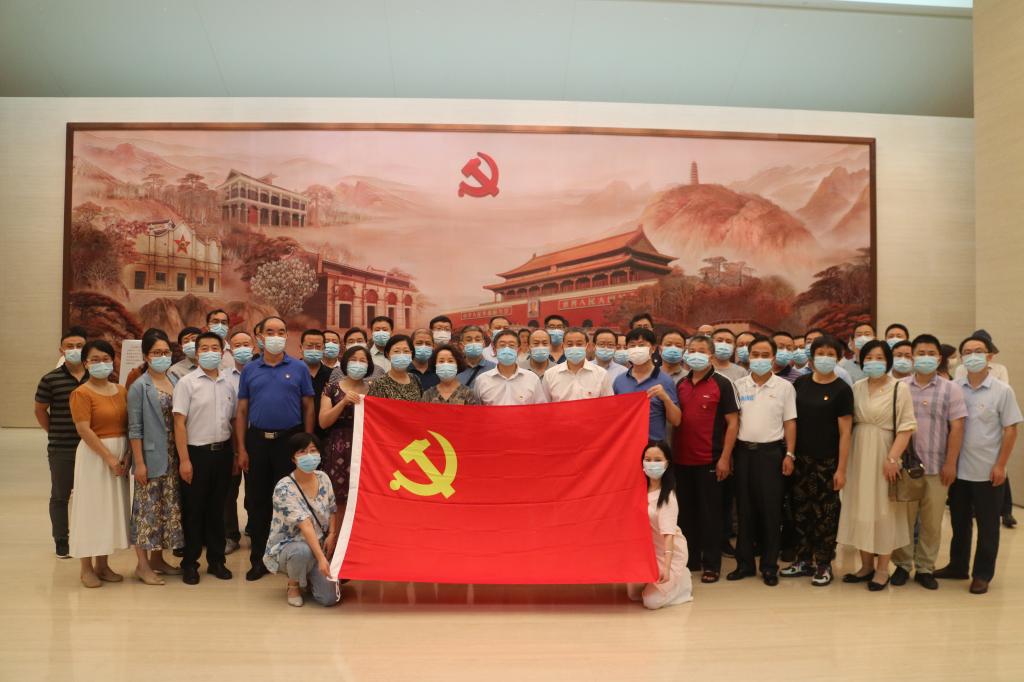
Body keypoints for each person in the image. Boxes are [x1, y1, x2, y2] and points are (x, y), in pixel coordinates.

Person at [935, 335, 1022, 594]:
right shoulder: (953, 388)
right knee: (959, 522)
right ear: (961, 358)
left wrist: (1001, 465)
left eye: (979, 351)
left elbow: (1011, 430)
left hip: (988, 471)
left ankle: (982, 574)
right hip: (958, 470)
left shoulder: (1002, 391)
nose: (973, 355)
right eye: (968, 351)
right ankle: (958, 566)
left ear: (990, 356)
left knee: (988, 526)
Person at [236, 316, 315, 581]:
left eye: (281, 331)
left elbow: (308, 406)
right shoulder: (250, 370)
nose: (275, 336)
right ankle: (258, 560)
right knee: (258, 502)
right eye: (270, 332)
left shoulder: (299, 368)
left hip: (289, 441)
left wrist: (307, 444)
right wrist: (242, 449)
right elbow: (242, 410)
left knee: (289, 501)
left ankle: (287, 558)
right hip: (257, 441)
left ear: (286, 335)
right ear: (260, 336)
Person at [836, 339, 917, 591]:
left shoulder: (899, 388)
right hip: (858, 453)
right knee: (861, 508)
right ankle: (866, 566)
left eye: (879, 358)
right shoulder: (857, 387)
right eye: (869, 358)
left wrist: (893, 458)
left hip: (885, 453)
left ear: (888, 361)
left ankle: (882, 569)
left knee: (884, 511)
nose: (874, 362)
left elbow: (906, 427)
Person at [888, 334, 967, 590]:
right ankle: (902, 565)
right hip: (905, 467)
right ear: (912, 357)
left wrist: (951, 463)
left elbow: (957, 428)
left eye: (930, 353)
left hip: (937, 467)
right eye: (920, 353)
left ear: (939, 357)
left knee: (932, 522)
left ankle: (925, 567)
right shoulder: (899, 387)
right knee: (904, 520)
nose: (925, 357)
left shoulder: (951, 389)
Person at [781, 334, 853, 586]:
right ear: (811, 357)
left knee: (826, 515)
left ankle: (823, 563)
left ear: (838, 358)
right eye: (820, 353)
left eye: (830, 354)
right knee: (800, 512)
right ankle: (803, 560)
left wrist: (841, 469)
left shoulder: (842, 390)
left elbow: (846, 433)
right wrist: (790, 454)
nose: (825, 358)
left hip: (828, 462)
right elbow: (791, 421)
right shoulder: (800, 383)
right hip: (801, 459)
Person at [727, 335, 796, 586]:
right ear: (748, 356)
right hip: (743, 453)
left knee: (771, 511)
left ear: (773, 358)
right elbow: (733, 422)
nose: (759, 359)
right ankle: (744, 564)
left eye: (765, 355)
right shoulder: (739, 385)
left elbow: (790, 423)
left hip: (771, 455)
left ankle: (769, 566)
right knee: (744, 510)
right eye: (755, 354)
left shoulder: (784, 387)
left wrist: (790, 454)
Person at [672, 335, 739, 583]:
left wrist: (725, 458)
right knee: (686, 515)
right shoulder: (681, 383)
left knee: (711, 515)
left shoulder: (722, 384)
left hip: (710, 459)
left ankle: (711, 564)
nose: (695, 354)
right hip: (682, 460)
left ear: (711, 355)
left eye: (701, 350)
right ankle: (690, 561)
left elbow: (733, 423)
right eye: (691, 350)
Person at [172, 332, 236, 585]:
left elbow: (233, 420)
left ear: (222, 352)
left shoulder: (228, 382)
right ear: (197, 353)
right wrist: (184, 460)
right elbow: (179, 423)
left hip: (223, 453)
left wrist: (235, 453)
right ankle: (190, 563)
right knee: (194, 511)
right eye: (204, 348)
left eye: (215, 348)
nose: (210, 352)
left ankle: (217, 561)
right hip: (196, 454)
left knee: (217, 509)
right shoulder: (186, 383)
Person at [69, 339, 131, 588]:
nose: (101, 364)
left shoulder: (121, 390)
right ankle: (86, 568)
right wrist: (109, 458)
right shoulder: (81, 393)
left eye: (106, 359)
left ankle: (103, 565)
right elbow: (83, 429)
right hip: (95, 457)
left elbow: (128, 425)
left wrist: (126, 455)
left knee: (109, 510)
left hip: (120, 454)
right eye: (95, 359)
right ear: (85, 363)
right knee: (91, 510)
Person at [127, 332, 184, 585]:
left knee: (166, 510)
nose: (162, 357)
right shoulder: (140, 386)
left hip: (174, 454)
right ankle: (142, 565)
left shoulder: (174, 379)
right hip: (150, 458)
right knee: (146, 511)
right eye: (156, 353)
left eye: (165, 352)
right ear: (146, 356)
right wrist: (139, 463)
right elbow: (134, 428)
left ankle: (158, 559)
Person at [264, 433, 341, 608]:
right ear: (293, 458)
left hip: (319, 545)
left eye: (313, 450)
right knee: (301, 551)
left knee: (330, 598)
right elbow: (305, 525)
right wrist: (322, 559)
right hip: (292, 546)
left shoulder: (323, 478)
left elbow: (332, 508)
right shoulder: (284, 488)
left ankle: (308, 576)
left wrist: (332, 534)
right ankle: (294, 585)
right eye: (302, 452)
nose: (309, 456)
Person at [34, 328, 88, 558]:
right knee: (60, 495)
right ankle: (61, 540)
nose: (75, 350)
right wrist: (54, 432)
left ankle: (87, 537)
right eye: (70, 346)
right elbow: (40, 410)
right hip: (62, 447)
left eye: (80, 346)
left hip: (92, 447)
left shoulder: (96, 377)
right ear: (61, 350)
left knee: (90, 494)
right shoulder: (50, 379)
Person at [627, 442, 693, 610]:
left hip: (669, 553)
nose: (652, 464)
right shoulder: (639, 489)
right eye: (648, 459)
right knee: (633, 594)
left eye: (657, 460)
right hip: (648, 552)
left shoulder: (667, 497)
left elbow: (668, 535)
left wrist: (667, 568)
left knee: (650, 602)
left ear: (667, 463)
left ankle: (682, 583)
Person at [320, 345, 371, 509]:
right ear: (345, 363)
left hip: (366, 449)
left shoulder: (374, 390)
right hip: (338, 448)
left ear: (369, 365)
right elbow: (323, 422)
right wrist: (343, 402)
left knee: (364, 498)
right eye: (353, 360)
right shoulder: (331, 388)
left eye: (362, 361)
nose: (358, 364)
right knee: (338, 500)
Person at [612, 328, 680, 442]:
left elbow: (676, 421)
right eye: (632, 345)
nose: (636, 349)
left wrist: (665, 398)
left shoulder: (665, 380)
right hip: (626, 444)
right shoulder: (619, 381)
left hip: (653, 446)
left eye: (641, 345)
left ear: (653, 348)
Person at [224, 330, 256, 555]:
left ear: (254, 346)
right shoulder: (223, 377)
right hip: (230, 440)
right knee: (229, 490)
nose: (242, 348)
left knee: (255, 490)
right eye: (237, 345)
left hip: (257, 438)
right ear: (230, 349)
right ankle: (230, 535)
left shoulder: (260, 372)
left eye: (246, 344)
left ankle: (255, 530)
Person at [474, 330, 548, 406]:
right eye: (502, 345)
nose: (507, 349)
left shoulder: (532, 379)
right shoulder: (482, 380)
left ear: (518, 350)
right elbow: (477, 410)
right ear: (495, 350)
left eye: (512, 345)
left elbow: (541, 408)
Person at [542, 328, 613, 402]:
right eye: (570, 344)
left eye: (579, 344)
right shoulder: (550, 375)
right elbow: (544, 406)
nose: (574, 347)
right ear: (563, 346)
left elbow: (609, 405)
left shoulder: (601, 374)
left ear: (586, 345)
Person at [299, 329, 334, 439]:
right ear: (301, 348)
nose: (314, 350)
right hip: (296, 433)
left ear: (324, 349)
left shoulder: (332, 375)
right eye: (309, 346)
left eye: (318, 346)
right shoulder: (292, 372)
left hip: (327, 434)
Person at [367, 334, 423, 401]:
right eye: (396, 351)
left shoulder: (415, 379)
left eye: (406, 351)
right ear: (388, 354)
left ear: (411, 354)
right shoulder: (379, 384)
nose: (401, 355)